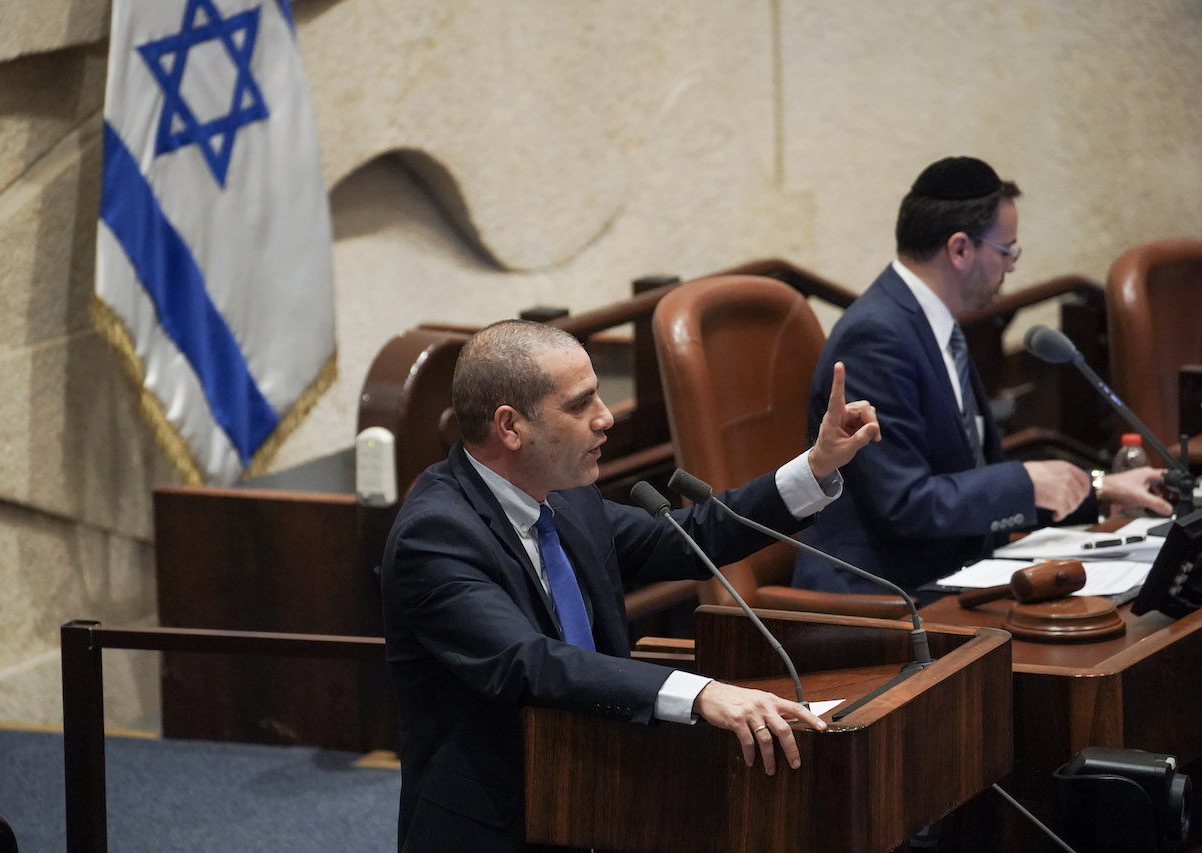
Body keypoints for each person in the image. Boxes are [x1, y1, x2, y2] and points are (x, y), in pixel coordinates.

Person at [381, 318, 880, 852]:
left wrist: (817, 467)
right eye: (580, 404)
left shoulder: (567, 498)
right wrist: (701, 693)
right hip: (494, 825)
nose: (606, 418)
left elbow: (692, 537)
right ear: (510, 426)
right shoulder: (436, 535)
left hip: (594, 795)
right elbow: (529, 661)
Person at [792, 155, 1173, 596]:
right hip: (881, 596)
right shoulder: (877, 337)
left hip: (947, 571)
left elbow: (967, 477)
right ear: (960, 249)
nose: (1011, 266)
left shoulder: (931, 324)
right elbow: (905, 504)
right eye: (1006, 251)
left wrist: (1099, 489)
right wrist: (1025, 482)